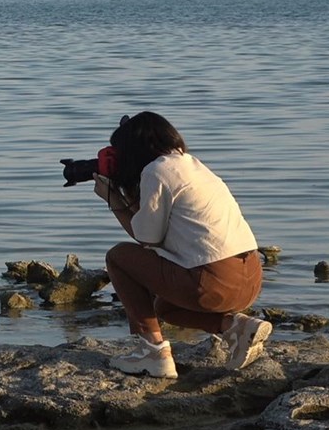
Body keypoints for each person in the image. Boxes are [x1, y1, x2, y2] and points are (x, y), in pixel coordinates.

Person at [93, 111, 271, 379]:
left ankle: (154, 353)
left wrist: (112, 198)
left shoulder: (157, 170)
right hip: (250, 279)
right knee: (166, 308)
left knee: (118, 257)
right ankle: (236, 326)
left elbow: (146, 238)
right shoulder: (193, 166)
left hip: (213, 284)